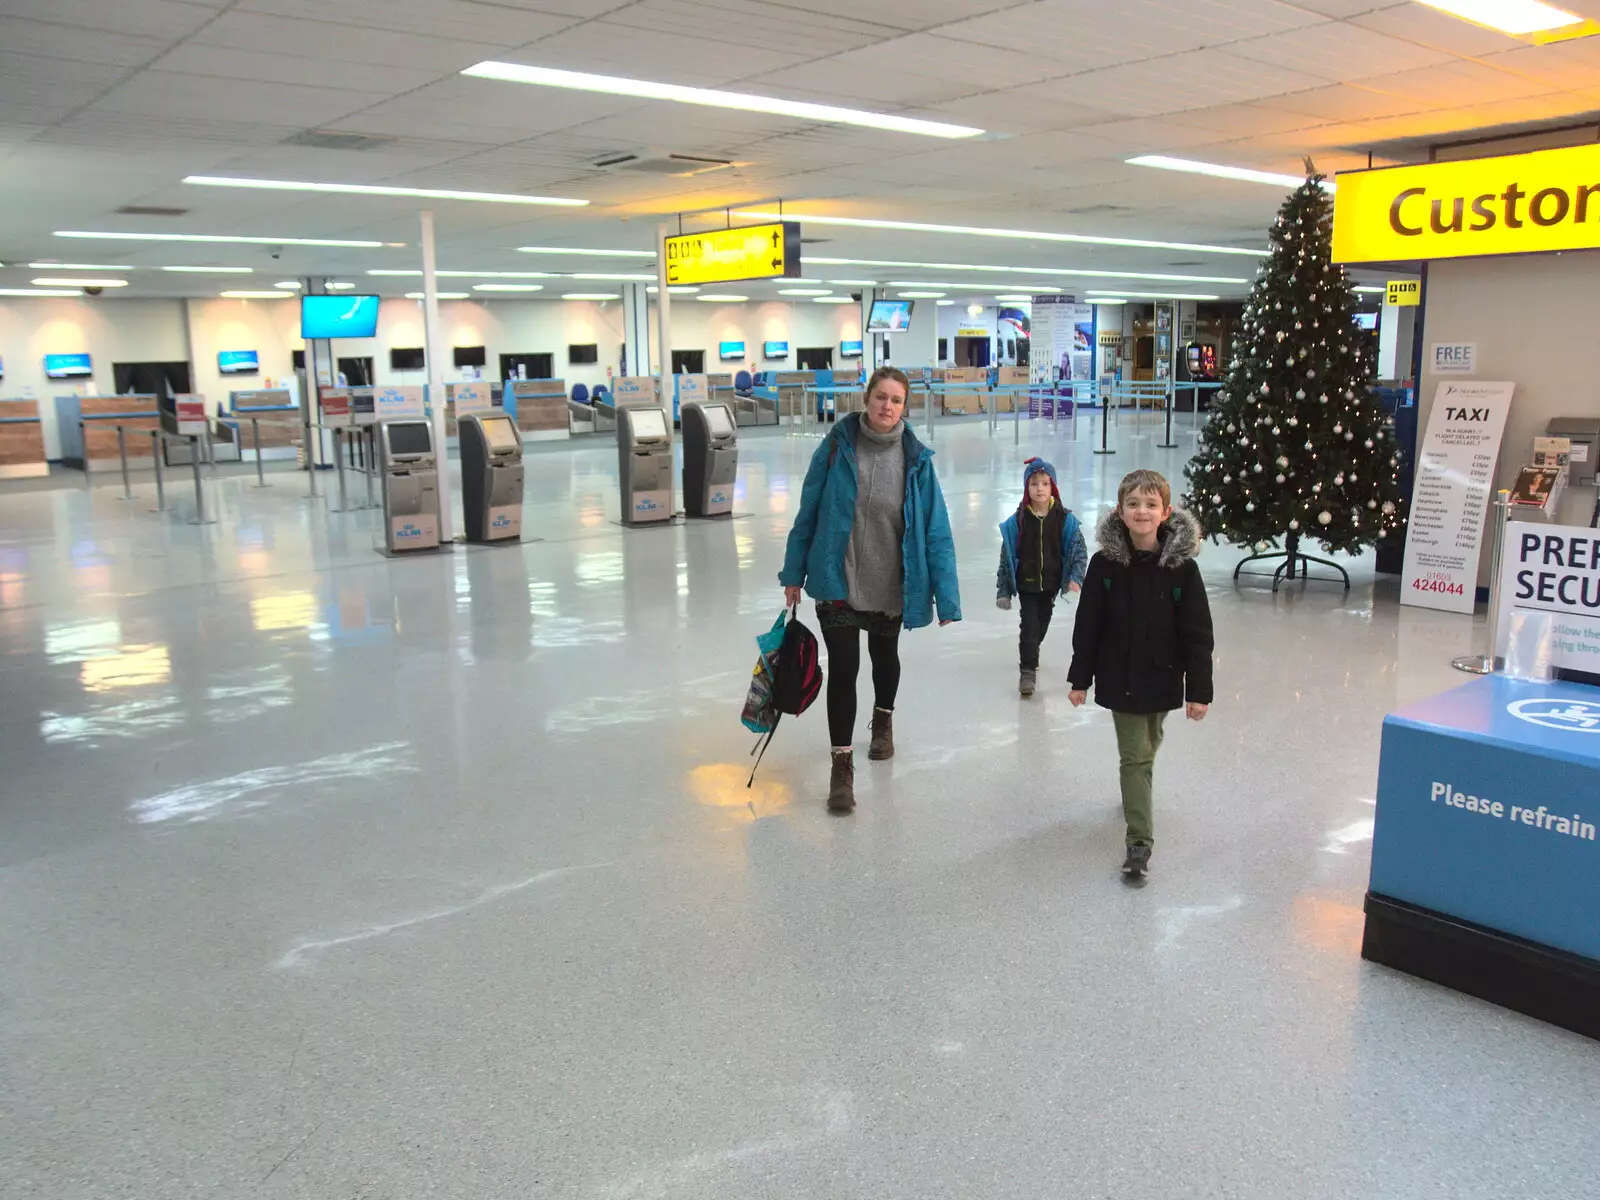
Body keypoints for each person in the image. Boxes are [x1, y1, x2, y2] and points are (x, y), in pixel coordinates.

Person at [780, 366, 962, 814]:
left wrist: (947, 596)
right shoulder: (837, 447)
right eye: (881, 397)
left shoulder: (916, 459)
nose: (887, 406)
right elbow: (808, 510)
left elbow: (936, 530)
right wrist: (792, 571)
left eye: (896, 400)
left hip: (891, 581)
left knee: (885, 658)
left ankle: (883, 720)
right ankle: (841, 767)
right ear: (867, 398)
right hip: (836, 576)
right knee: (843, 666)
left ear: (905, 406)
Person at [1067, 469, 1214, 878]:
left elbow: (1198, 634)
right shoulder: (1105, 565)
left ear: (1166, 512)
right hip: (1120, 677)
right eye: (1133, 504)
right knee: (1135, 757)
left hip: (1164, 677)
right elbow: (1088, 624)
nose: (1142, 511)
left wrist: (1198, 690)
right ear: (1120, 510)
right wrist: (1081, 678)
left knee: (1148, 743)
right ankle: (1139, 841)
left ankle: (1137, 790)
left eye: (1151, 505)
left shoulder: (1182, 569)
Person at [996, 458, 1087, 697]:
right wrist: (1003, 591)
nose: (1039, 488)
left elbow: (1078, 551)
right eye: (1034, 483)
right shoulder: (1018, 521)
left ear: (1053, 487)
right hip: (1026, 584)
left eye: (1045, 483)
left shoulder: (1064, 520)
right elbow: (1006, 558)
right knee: (1029, 625)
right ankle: (1027, 672)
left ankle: (1032, 649)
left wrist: (1075, 577)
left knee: (1041, 624)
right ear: (1027, 488)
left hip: (1051, 583)